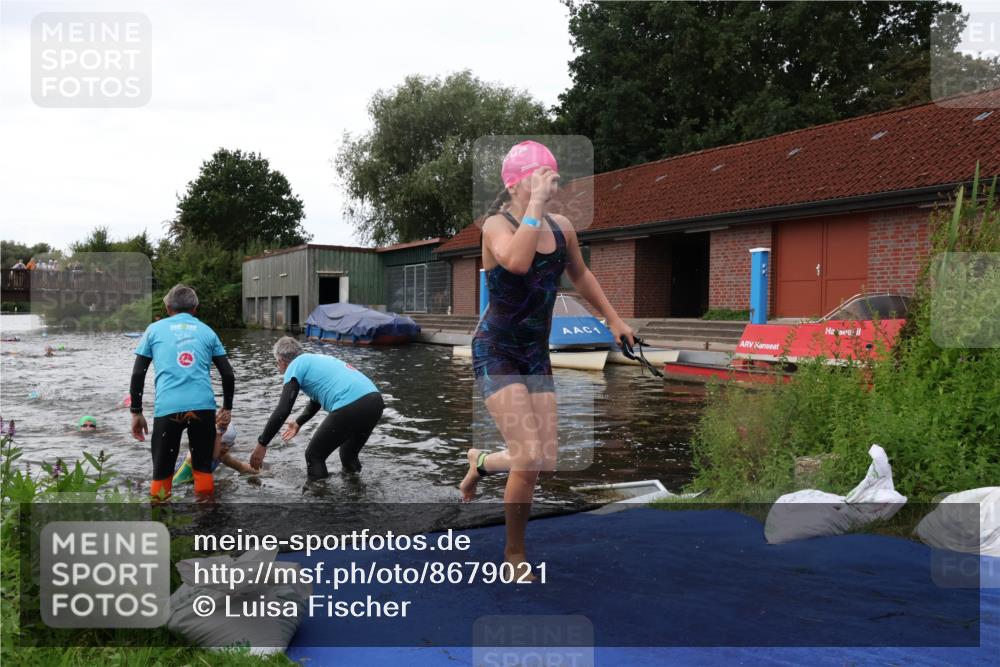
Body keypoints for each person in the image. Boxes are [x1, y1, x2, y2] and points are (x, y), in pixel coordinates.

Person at [459, 140, 635, 575]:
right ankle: (513, 554)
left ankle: (480, 462)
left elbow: (580, 273)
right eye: (543, 177)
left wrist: (614, 320)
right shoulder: (495, 227)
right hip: (496, 349)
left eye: (553, 177)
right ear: (517, 182)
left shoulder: (562, 228)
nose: (552, 184)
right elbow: (517, 263)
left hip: (535, 352)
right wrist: (535, 202)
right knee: (528, 455)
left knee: (543, 459)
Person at [129, 284, 235, 499]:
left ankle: (161, 521)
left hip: (168, 410)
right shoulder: (207, 331)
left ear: (168, 307)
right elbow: (228, 374)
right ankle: (206, 523)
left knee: (162, 472)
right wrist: (227, 408)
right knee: (203, 469)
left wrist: (136, 411)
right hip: (203, 409)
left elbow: (138, 374)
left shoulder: (154, 330)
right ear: (196, 308)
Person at [251, 337, 383, 480]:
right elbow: (315, 402)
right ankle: (355, 493)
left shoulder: (294, 366)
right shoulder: (315, 359)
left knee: (314, 455)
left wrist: (262, 443)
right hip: (374, 401)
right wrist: (298, 422)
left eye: (277, 363)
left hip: (351, 403)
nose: (278, 367)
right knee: (348, 454)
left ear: (281, 361)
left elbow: (283, 410)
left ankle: (319, 498)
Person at [172, 424, 258, 486]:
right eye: (223, 443)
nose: (227, 448)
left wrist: (262, 472)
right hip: (177, 475)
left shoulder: (223, 456)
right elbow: (175, 482)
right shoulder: (194, 457)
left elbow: (241, 467)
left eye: (230, 444)